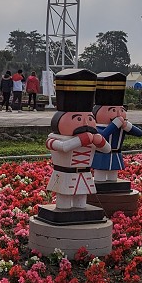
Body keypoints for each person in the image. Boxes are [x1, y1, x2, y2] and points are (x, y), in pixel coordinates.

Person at [46, 68, 110, 210]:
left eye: (89, 118)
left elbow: (107, 149)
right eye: (79, 119)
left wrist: (99, 141)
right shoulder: (54, 138)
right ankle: (63, 211)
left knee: (82, 201)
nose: (85, 123)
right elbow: (63, 147)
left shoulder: (91, 136)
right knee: (64, 201)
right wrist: (81, 140)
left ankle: (81, 211)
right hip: (64, 174)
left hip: (85, 174)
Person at [91, 71, 142, 184]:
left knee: (113, 178)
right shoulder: (96, 127)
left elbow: (139, 133)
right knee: (99, 176)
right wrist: (114, 125)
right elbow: (101, 137)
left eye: (122, 110)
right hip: (101, 155)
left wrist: (127, 125)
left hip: (116, 154)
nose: (119, 114)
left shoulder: (122, 126)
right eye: (113, 111)